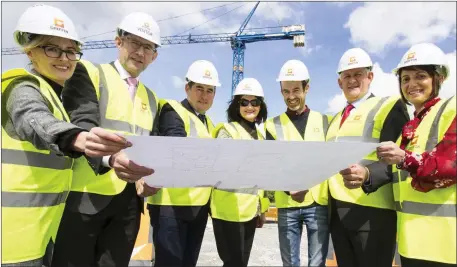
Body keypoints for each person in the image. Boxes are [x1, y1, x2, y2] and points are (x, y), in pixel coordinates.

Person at [1, 4, 126, 266]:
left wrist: (107, 158)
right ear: (30, 50)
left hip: (42, 233)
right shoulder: (20, 86)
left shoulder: (57, 96)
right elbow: (32, 118)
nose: (65, 58)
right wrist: (75, 138)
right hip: (11, 241)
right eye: (52, 48)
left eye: (71, 51)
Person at [51, 12, 160, 267]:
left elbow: (148, 145)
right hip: (85, 197)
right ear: (118, 42)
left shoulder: (152, 98)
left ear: (154, 56)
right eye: (134, 42)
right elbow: (82, 124)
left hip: (129, 204)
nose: (140, 52)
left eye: (148, 47)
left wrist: (149, 177)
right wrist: (111, 159)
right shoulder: (89, 72)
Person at [326, 48, 410, 267]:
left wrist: (368, 173)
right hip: (338, 214)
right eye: (347, 76)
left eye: (358, 74)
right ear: (339, 82)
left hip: (373, 214)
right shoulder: (335, 119)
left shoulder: (389, 106)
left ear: (370, 76)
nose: (352, 80)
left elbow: (400, 159)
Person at [375, 43, 456, 267]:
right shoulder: (411, 127)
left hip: (445, 245)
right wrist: (365, 175)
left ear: (439, 78)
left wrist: (404, 158)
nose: (411, 84)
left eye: (421, 76)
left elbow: (450, 165)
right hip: (411, 241)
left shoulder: (452, 109)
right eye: (405, 79)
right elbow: (397, 175)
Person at [146, 60, 221, 267]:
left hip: (197, 207)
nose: (204, 96)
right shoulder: (173, 110)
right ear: (187, 87)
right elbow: (177, 149)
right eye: (199, 89)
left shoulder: (210, 124)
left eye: (210, 90)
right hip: (171, 207)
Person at [264, 60, 330, 267]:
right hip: (287, 205)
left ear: (306, 88)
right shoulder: (271, 125)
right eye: (285, 91)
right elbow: (270, 165)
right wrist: (287, 189)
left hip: (318, 203)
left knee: (317, 263)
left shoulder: (325, 121)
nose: (291, 96)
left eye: (295, 90)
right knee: (290, 263)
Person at [211, 78, 270, 267]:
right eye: (244, 102)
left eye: (255, 102)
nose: (249, 106)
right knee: (233, 262)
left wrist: (261, 209)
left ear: (261, 106)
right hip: (228, 210)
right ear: (237, 105)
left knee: (241, 262)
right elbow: (224, 166)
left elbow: (261, 176)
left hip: (250, 211)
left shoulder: (260, 136)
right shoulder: (227, 130)